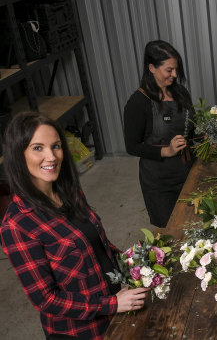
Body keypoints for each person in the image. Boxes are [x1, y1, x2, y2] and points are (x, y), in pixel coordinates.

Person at [1, 112, 149, 340]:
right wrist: (111, 304)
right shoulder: (17, 224)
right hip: (81, 332)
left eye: (56, 146)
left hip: (117, 306)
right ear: (18, 154)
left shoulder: (69, 191)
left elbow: (97, 246)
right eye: (37, 148)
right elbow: (46, 300)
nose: (51, 157)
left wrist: (136, 263)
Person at [124, 40, 195, 228]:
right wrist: (166, 151)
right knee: (171, 231)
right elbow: (132, 146)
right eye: (169, 70)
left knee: (194, 225)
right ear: (152, 68)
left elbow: (191, 127)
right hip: (160, 182)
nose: (175, 75)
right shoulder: (138, 103)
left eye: (176, 70)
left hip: (188, 171)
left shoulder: (180, 92)